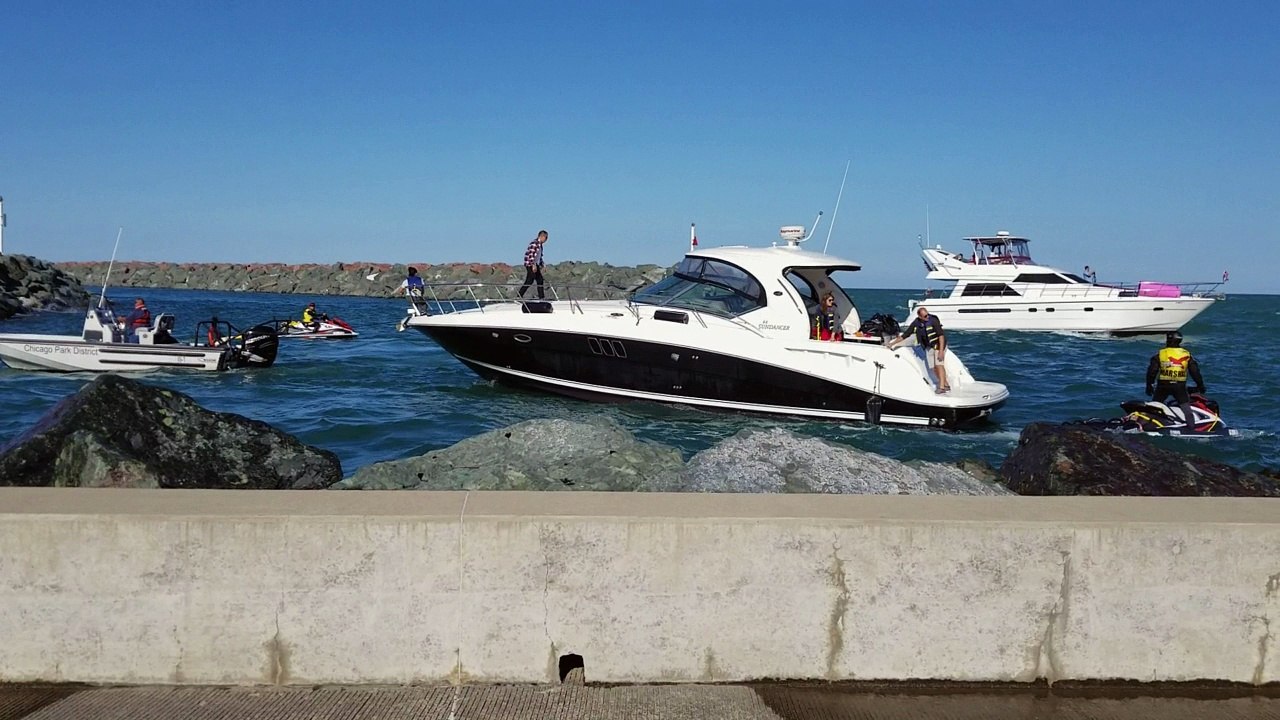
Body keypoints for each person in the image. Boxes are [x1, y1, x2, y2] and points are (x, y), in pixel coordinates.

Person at [1145, 331, 1205, 426]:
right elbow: (1195, 372)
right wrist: (1200, 386)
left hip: (1163, 386)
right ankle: (1192, 430)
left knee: (1154, 408)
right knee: (1187, 411)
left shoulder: (1161, 353)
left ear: (1168, 340)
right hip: (1179, 386)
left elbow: (1152, 371)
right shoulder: (1186, 354)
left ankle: (1146, 425)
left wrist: (1149, 385)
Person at [887, 306, 950, 394]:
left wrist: (941, 352)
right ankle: (946, 384)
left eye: (927, 315)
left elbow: (941, 336)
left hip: (939, 345)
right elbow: (906, 335)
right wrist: (892, 344)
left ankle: (942, 387)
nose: (927, 317)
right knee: (933, 368)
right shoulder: (916, 323)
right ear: (919, 317)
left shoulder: (933, 320)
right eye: (925, 316)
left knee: (939, 365)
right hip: (929, 347)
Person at [517, 230, 549, 300]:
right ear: (542, 236)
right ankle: (519, 295)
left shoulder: (540, 246)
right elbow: (531, 255)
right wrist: (533, 264)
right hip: (530, 264)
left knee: (540, 280)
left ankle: (541, 297)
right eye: (546, 238)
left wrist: (542, 264)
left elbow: (539, 256)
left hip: (535, 264)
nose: (546, 240)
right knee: (530, 280)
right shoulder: (535, 243)